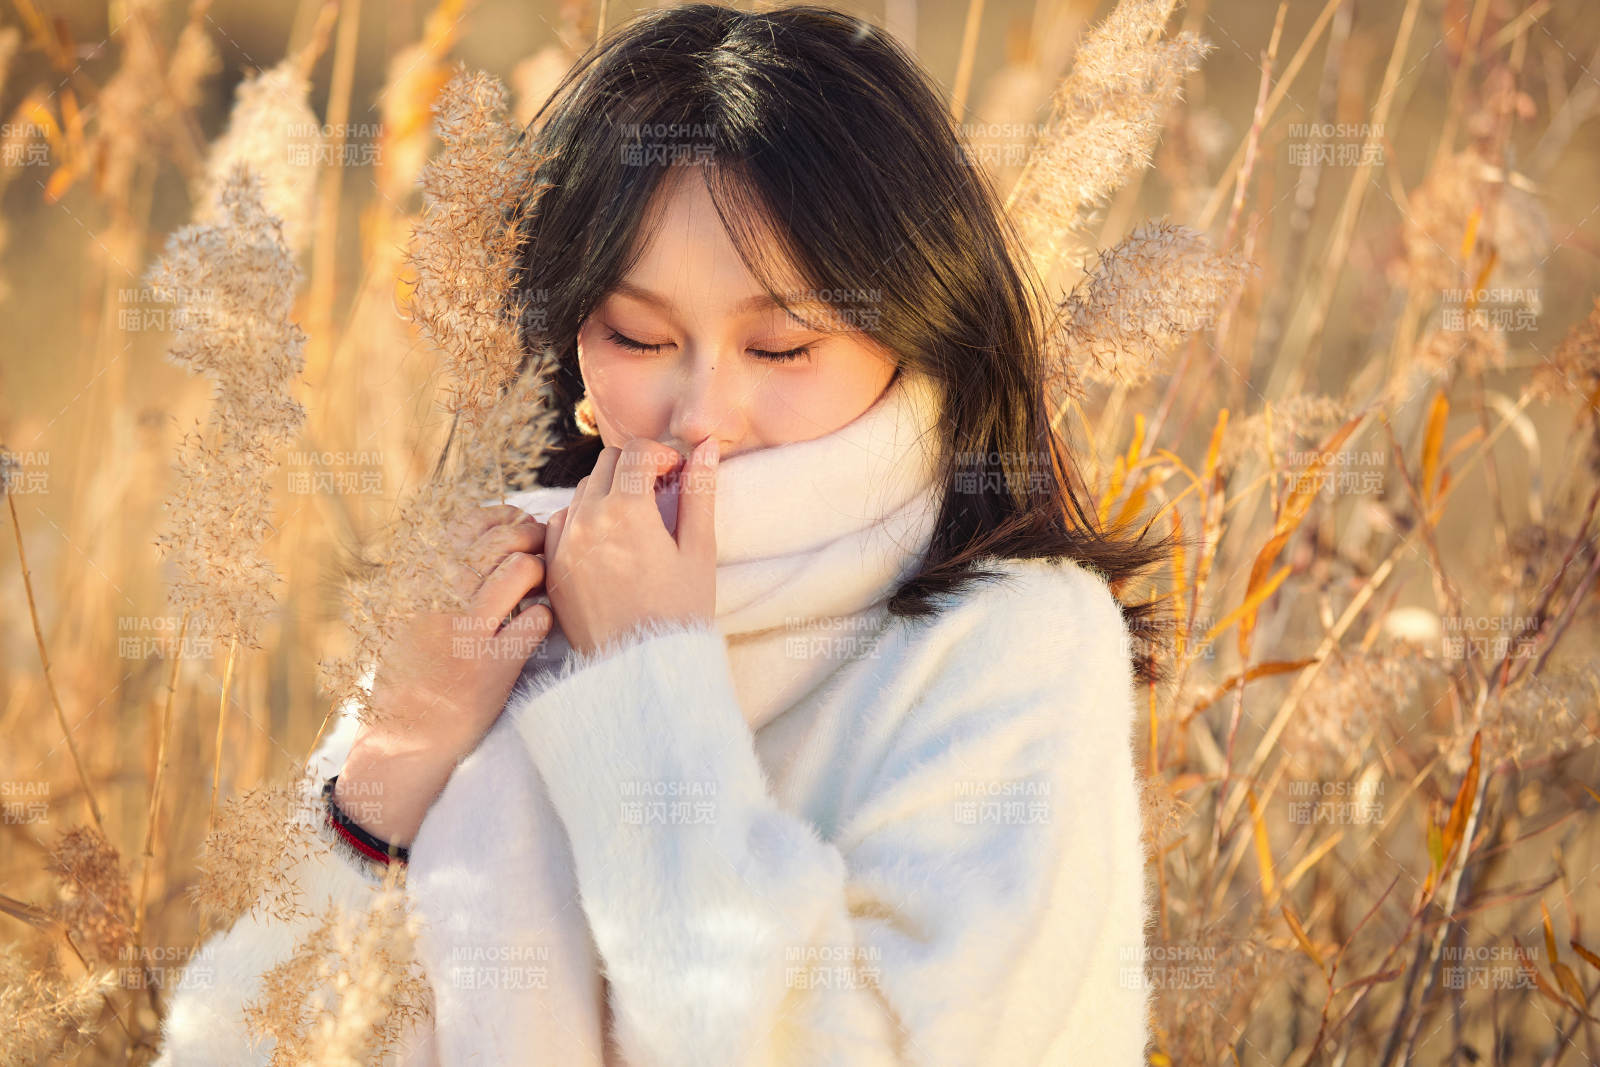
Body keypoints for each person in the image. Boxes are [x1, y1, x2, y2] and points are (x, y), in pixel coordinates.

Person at [156, 3, 1176, 1063]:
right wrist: (382, 776)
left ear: (917, 331)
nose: (703, 414)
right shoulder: (493, 598)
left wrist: (646, 684)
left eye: (781, 346)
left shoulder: (1012, 643)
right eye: (639, 336)